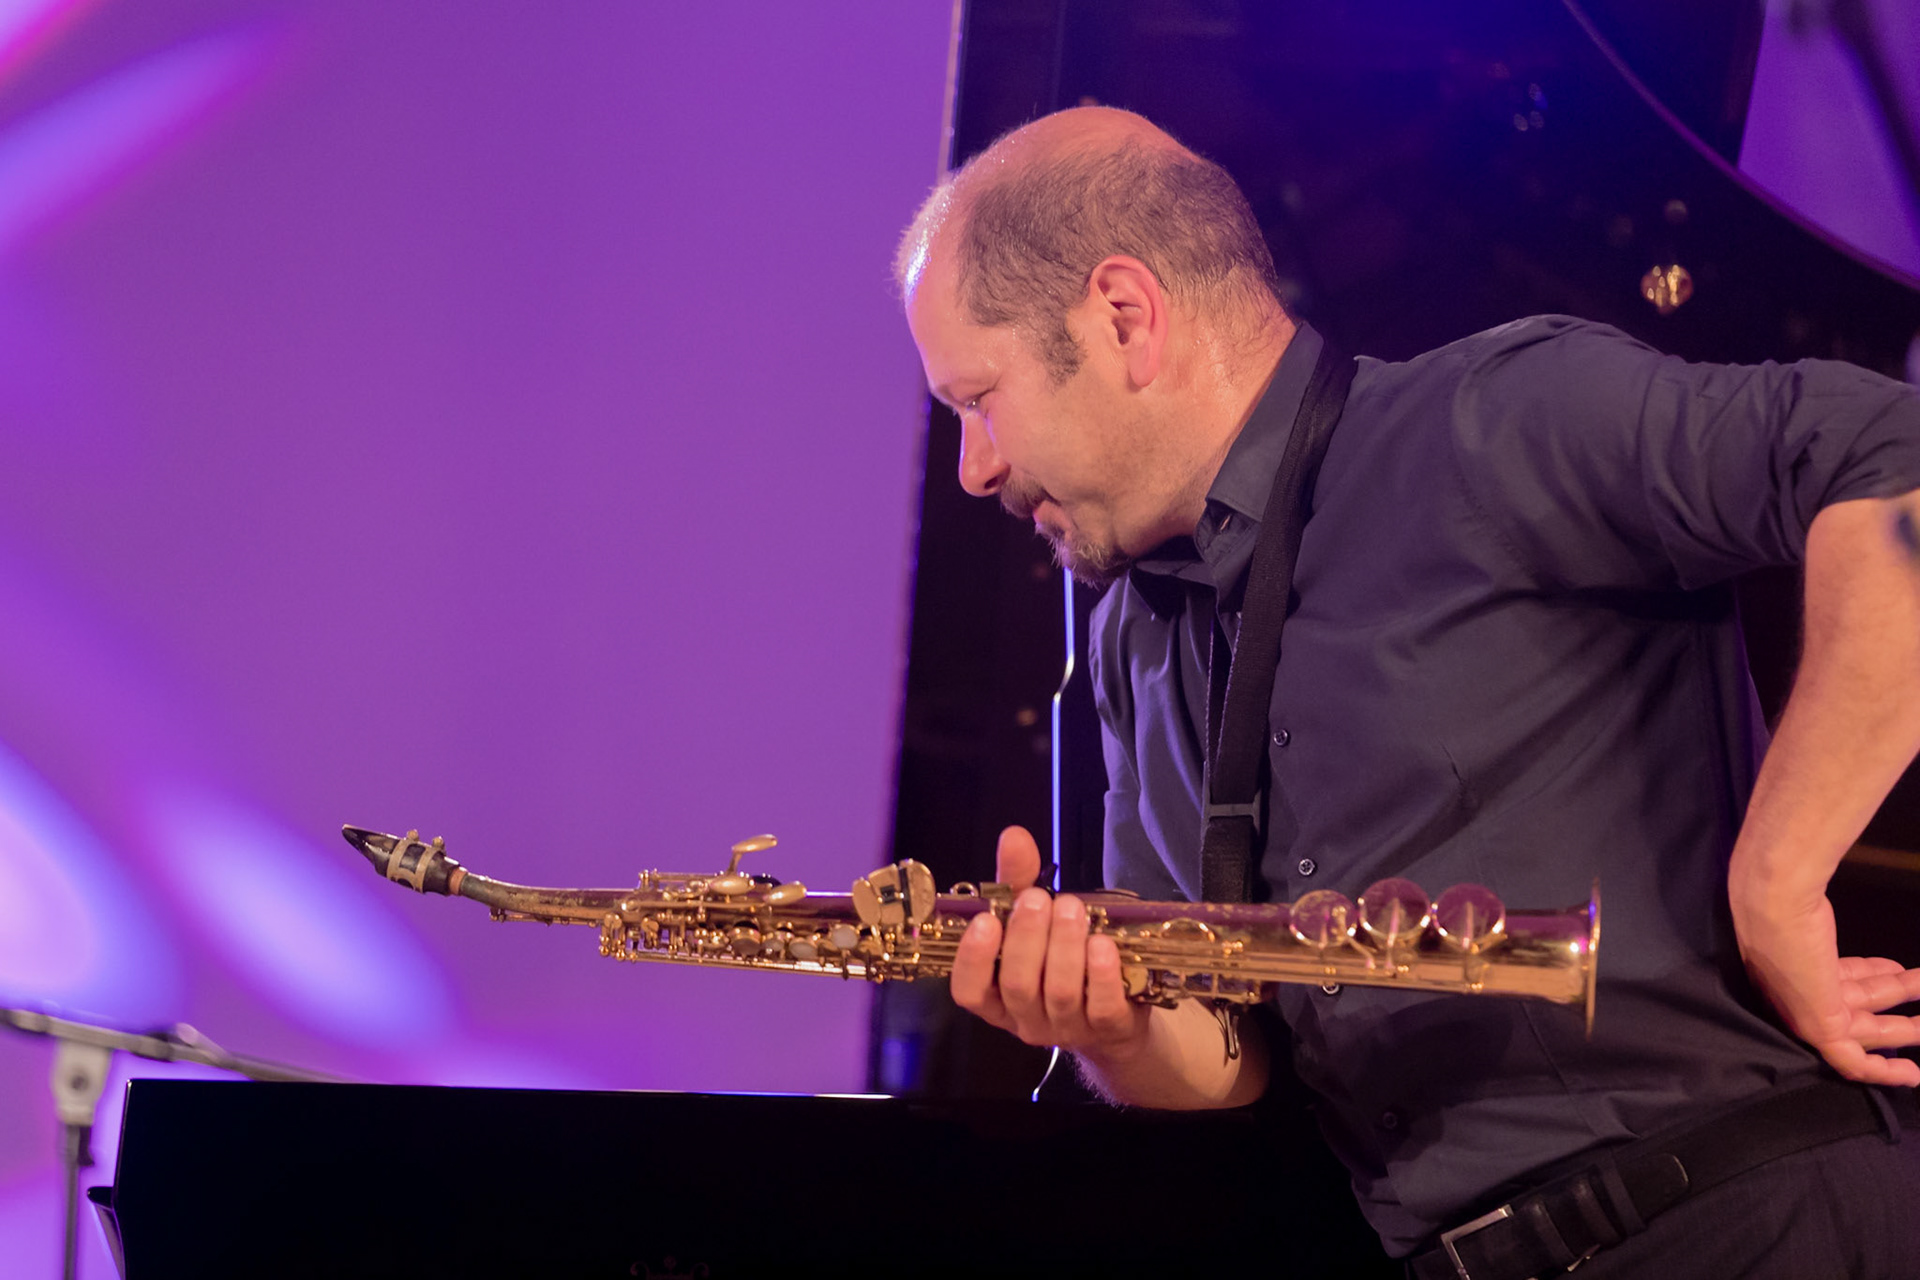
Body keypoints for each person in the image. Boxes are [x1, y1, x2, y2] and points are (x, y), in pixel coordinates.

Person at [897, 106, 1920, 1276]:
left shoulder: (1491, 420)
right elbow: (1229, 1050)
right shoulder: (1136, 637)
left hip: (1744, 1218)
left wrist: (1778, 878)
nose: (974, 467)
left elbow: (1898, 466)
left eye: (977, 400)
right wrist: (1107, 1025)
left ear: (1124, 316)